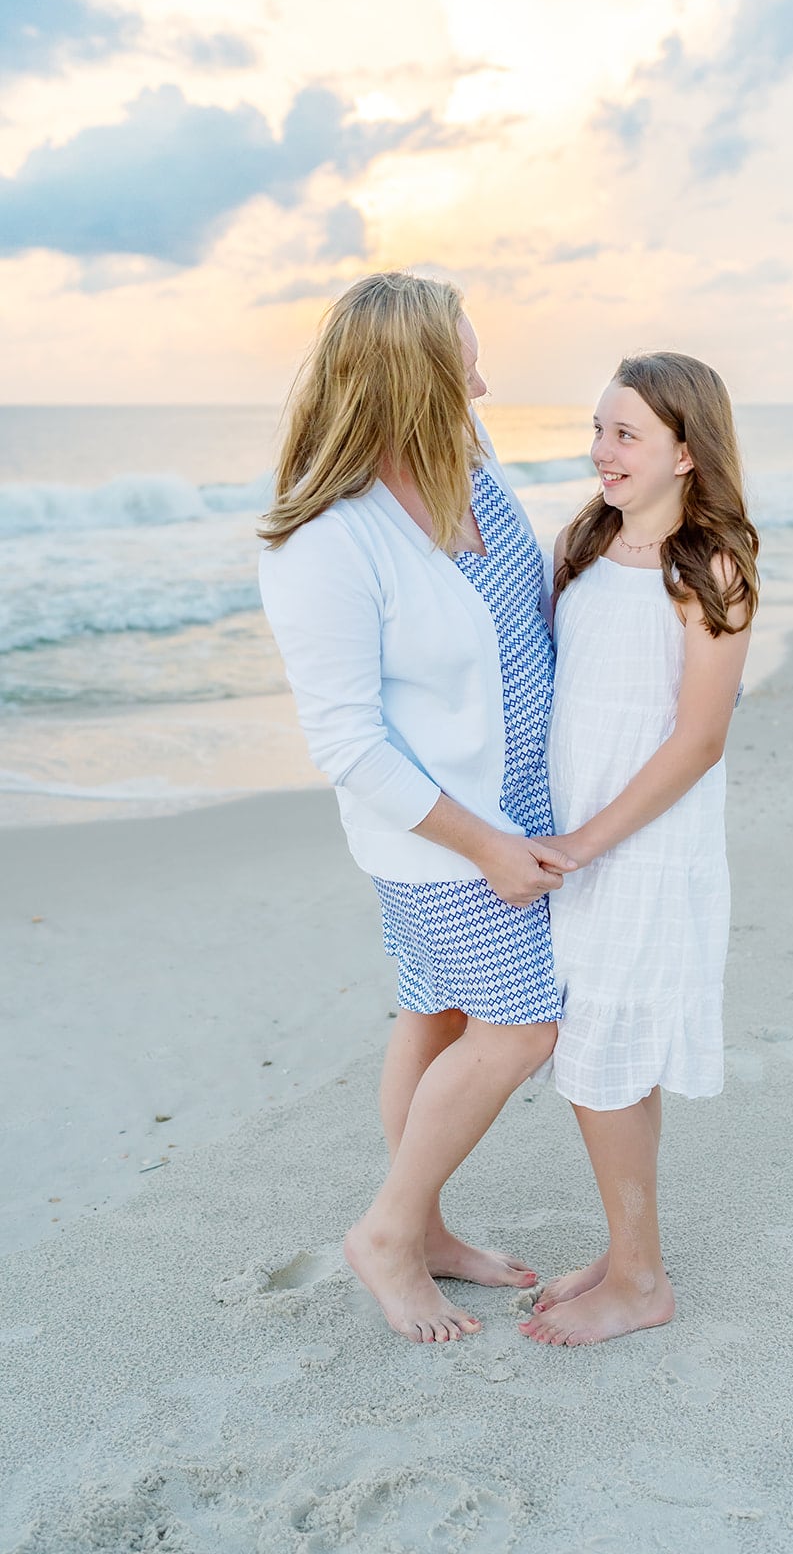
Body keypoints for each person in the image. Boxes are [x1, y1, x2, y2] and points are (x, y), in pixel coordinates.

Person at [258, 272, 576, 1345]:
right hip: (443, 836)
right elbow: (347, 742)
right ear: (410, 384)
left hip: (517, 807)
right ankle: (389, 1232)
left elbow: (525, 624)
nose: (483, 381)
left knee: (436, 1012)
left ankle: (427, 1227)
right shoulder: (327, 543)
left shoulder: (472, 479)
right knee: (523, 1024)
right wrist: (486, 844)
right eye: (464, 365)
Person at [518, 352, 759, 1346]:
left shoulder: (708, 567)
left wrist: (583, 841)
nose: (599, 451)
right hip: (575, 835)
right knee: (611, 1049)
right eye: (597, 429)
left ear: (685, 451)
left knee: (601, 1052)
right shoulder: (585, 540)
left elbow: (698, 739)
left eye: (624, 433)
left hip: (641, 844)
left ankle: (642, 1279)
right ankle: (627, 1253)